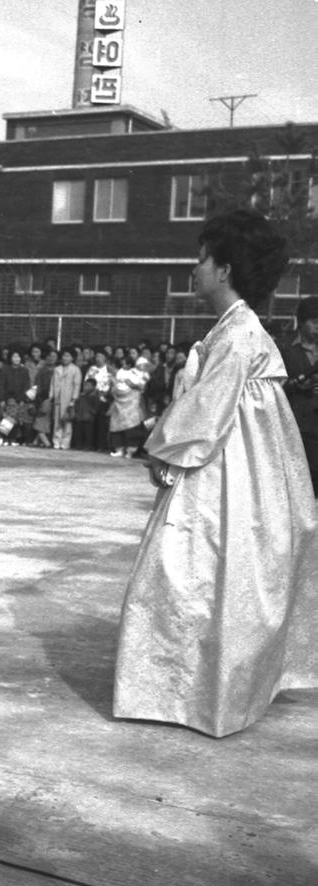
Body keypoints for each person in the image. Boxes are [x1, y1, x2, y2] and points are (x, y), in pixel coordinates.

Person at [114, 209, 317, 737]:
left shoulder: (238, 334)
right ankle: (202, 689)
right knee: (211, 578)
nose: (195, 267)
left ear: (224, 269)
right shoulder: (238, 330)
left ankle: (194, 692)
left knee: (190, 572)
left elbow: (207, 414)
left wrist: (162, 450)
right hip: (239, 470)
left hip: (226, 472)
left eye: (202, 258)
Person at [277, 295, 318, 495]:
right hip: (298, 428)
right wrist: (296, 386)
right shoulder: (285, 349)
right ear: (301, 323)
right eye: (314, 322)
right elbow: (273, 390)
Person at [50, 348, 81, 449]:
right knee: (57, 420)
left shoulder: (75, 370)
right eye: (64, 355)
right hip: (58, 397)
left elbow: (77, 385)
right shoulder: (57, 369)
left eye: (67, 356)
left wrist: (74, 399)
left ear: (72, 358)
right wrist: (51, 395)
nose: (65, 358)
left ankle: (65, 442)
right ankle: (56, 440)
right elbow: (52, 383)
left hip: (69, 398)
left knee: (67, 420)